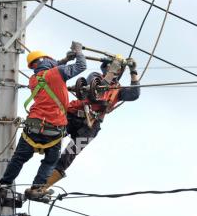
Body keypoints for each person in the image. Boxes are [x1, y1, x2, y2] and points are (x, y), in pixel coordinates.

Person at [0, 41, 86, 198]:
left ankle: (3, 183)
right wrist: (78, 52)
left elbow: (49, 69)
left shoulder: (33, 80)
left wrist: (64, 60)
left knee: (19, 158)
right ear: (45, 60)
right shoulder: (57, 73)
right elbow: (81, 66)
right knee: (50, 161)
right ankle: (37, 188)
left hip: (33, 126)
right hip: (55, 128)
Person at [39, 56, 141, 192]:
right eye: (114, 68)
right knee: (51, 141)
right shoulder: (95, 77)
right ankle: (39, 173)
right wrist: (111, 71)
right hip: (73, 115)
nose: (117, 71)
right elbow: (96, 93)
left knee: (70, 154)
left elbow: (134, 94)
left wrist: (133, 71)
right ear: (106, 68)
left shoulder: (118, 90)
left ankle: (42, 187)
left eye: (118, 69)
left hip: (91, 125)